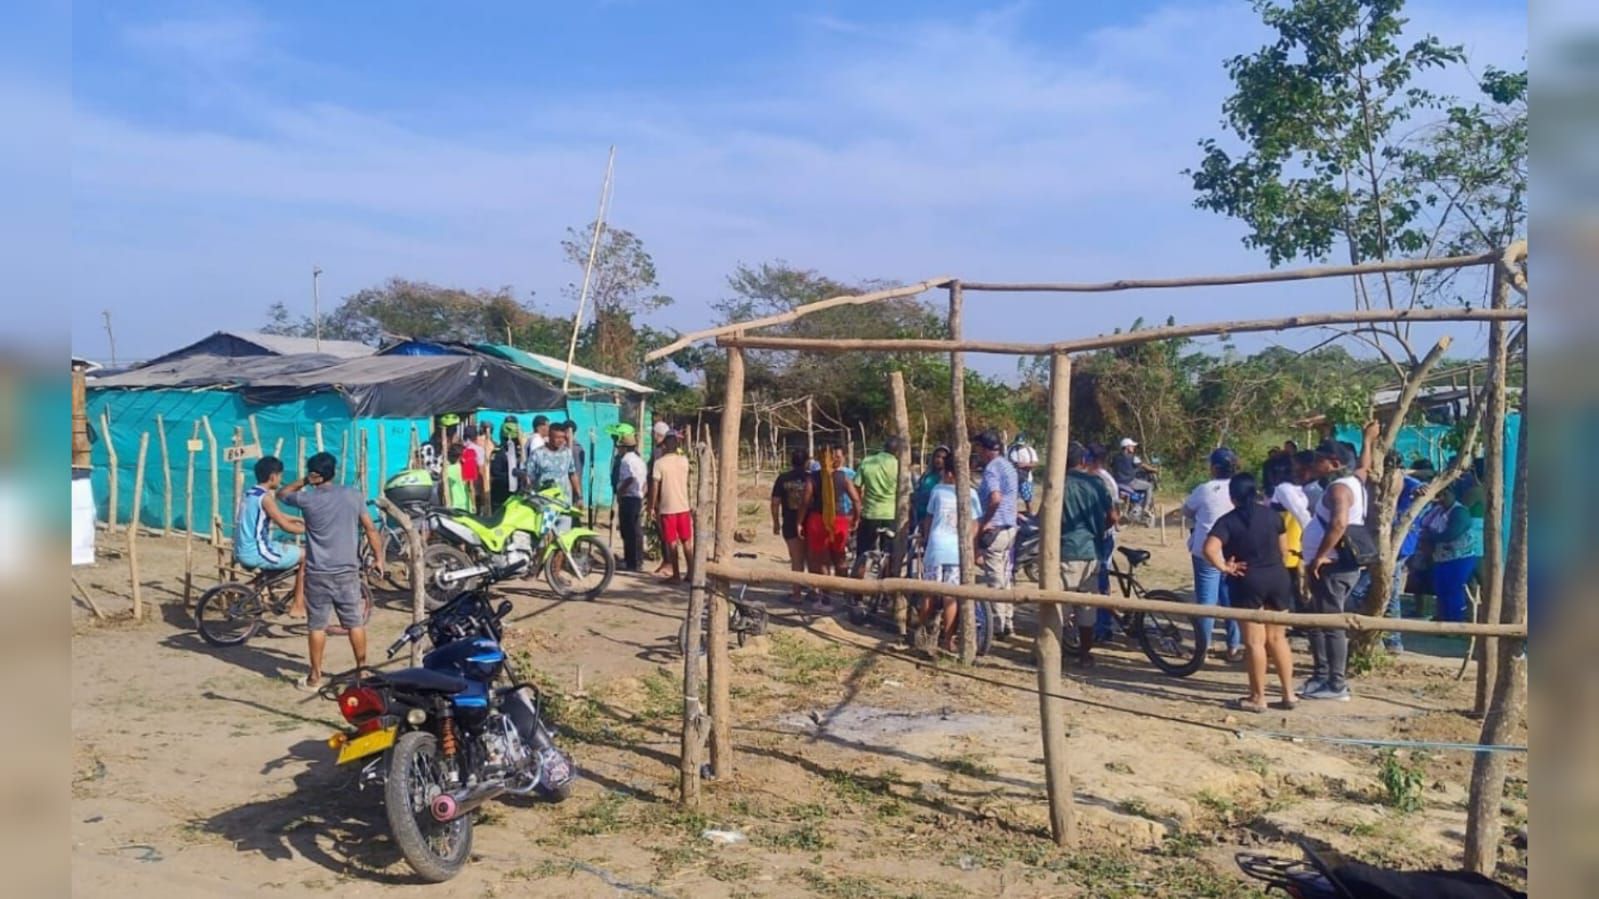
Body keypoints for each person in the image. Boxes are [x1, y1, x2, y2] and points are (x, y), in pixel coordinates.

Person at [278, 452, 383, 691]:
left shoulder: (307, 500)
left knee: (317, 626)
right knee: (355, 623)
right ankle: (362, 670)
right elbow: (370, 529)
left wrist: (305, 480)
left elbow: (282, 494)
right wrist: (379, 558)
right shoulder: (353, 495)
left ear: (315, 475)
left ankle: (315, 677)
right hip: (347, 572)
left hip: (318, 572)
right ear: (333, 472)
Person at [1203, 473, 1296, 712]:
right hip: (1277, 577)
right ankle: (1289, 694)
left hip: (1248, 580)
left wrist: (1225, 567)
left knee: (1255, 642)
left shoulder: (1228, 521)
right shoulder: (1273, 516)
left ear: (1232, 497)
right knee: (1277, 638)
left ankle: (1258, 697)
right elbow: (1284, 550)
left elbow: (1209, 549)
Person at [1300, 440, 1366, 701]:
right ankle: (1321, 675)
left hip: (1332, 567)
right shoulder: (1354, 481)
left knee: (1331, 623)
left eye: (1320, 459)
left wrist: (1319, 557)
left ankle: (1336, 685)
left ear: (1335, 464)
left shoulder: (1339, 489)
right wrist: (1368, 439)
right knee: (1318, 620)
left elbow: (1338, 524)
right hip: (1332, 565)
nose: (1315, 464)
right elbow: (1364, 466)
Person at [916, 450, 980, 652]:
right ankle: (948, 639)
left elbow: (928, 519)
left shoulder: (937, 491)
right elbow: (975, 525)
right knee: (951, 596)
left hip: (936, 547)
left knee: (929, 593)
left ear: (950, 473)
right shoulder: (972, 494)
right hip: (956, 551)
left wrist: (926, 539)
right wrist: (969, 544)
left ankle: (924, 635)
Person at [1184, 448, 1244, 662]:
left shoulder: (1205, 489)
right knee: (1230, 599)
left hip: (1206, 552)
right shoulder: (1239, 489)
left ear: (1215, 468)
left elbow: (1187, 510)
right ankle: (1234, 647)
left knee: (1206, 602)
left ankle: (1203, 648)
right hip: (1232, 552)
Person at [1061, 442, 1116, 667]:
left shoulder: (1058, 484)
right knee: (1087, 606)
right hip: (1092, 550)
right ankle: (1085, 655)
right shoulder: (1097, 483)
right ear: (1083, 460)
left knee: (1059, 605)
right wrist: (1099, 529)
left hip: (1065, 549)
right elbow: (1113, 516)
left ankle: (1052, 652)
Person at [235, 455, 306, 617]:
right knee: (307, 556)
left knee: (286, 553)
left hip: (244, 548)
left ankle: (254, 585)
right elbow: (284, 525)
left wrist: (299, 519)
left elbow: (277, 515)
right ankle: (298, 605)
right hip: (256, 551)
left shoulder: (251, 493)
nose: (280, 479)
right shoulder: (265, 497)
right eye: (280, 475)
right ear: (273, 476)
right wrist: (311, 530)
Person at [972, 430, 1020, 636]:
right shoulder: (1008, 466)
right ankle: (1008, 619)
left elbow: (995, 498)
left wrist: (985, 522)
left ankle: (999, 624)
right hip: (1010, 527)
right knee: (1006, 576)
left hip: (996, 529)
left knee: (995, 578)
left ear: (984, 449)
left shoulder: (992, 469)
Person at [802, 444, 860, 608]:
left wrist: (800, 521)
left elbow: (805, 501)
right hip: (840, 520)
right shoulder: (843, 477)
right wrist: (855, 518)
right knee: (840, 558)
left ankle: (825, 597)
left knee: (822, 561)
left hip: (817, 520)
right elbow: (856, 500)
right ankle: (843, 594)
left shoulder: (813, 477)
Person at [1426, 483, 1479, 622]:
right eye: (1439, 495)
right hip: (1441, 558)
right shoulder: (1437, 510)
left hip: (1459, 558)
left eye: (1445, 494)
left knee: (1453, 591)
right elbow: (1423, 525)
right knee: (1441, 590)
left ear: (1453, 494)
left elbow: (1451, 534)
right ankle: (1443, 619)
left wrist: (1430, 537)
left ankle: (1455, 622)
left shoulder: (1459, 511)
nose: (1441, 498)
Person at [1086, 444, 1122, 642]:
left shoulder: (1101, 480)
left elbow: (1113, 515)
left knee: (1100, 581)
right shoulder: (1104, 478)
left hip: (1102, 537)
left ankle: (1103, 626)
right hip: (1103, 535)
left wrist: (1099, 531)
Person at [852, 438, 902, 577]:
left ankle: (857, 592)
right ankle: (886, 591)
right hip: (890, 515)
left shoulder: (868, 461)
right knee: (889, 553)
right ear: (897, 452)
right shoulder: (899, 465)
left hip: (870, 513)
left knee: (863, 552)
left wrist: (859, 504)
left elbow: (856, 486)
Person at [649, 432, 694, 582]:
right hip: (683, 506)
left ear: (664, 446)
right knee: (686, 541)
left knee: (671, 542)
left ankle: (676, 574)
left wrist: (651, 506)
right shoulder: (684, 461)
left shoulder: (659, 464)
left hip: (667, 507)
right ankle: (691, 571)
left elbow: (655, 487)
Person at [771, 449, 811, 603]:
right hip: (809, 521)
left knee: (795, 558)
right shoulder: (811, 478)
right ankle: (811, 588)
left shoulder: (783, 479)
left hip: (790, 522)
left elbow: (775, 503)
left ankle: (796, 594)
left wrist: (775, 522)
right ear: (807, 462)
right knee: (809, 557)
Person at [527, 422, 582, 515]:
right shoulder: (537, 453)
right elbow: (530, 477)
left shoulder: (567, 453)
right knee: (547, 528)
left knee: (564, 528)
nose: (560, 440)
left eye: (562, 437)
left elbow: (572, 474)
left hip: (564, 501)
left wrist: (579, 496)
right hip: (545, 501)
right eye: (557, 437)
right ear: (550, 436)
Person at [613, 432, 646, 572]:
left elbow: (629, 479)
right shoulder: (640, 460)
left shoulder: (626, 460)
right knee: (636, 530)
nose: (618, 449)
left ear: (625, 448)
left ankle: (630, 561)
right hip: (638, 497)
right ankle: (638, 560)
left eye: (620, 447)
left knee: (628, 531)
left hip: (628, 497)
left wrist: (620, 493)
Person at [1109, 437, 1156, 517]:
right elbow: (1143, 466)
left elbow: (1111, 466)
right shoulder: (1133, 457)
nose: (1134, 448)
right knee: (1149, 486)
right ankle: (1145, 508)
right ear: (1127, 447)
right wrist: (1154, 470)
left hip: (1117, 483)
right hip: (1129, 482)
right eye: (1132, 446)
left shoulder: (1115, 457)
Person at [912, 446, 951, 537]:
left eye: (943, 458)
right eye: (937, 456)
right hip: (920, 516)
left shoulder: (947, 479)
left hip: (936, 519)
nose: (939, 460)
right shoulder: (926, 475)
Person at [488, 418, 522, 513]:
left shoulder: (521, 453)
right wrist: (512, 476)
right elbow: (495, 472)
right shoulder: (499, 453)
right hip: (500, 494)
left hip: (516, 495)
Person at [1008, 436, 1040, 514]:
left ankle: (1030, 514)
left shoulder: (1030, 451)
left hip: (1026, 479)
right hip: (1013, 478)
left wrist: (1024, 465)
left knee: (1028, 500)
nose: (1019, 446)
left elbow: (1035, 464)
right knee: (1012, 500)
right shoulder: (1011, 450)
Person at [442, 443, 473, 511]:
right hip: (467, 504)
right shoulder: (466, 468)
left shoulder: (447, 470)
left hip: (453, 504)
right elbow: (471, 487)